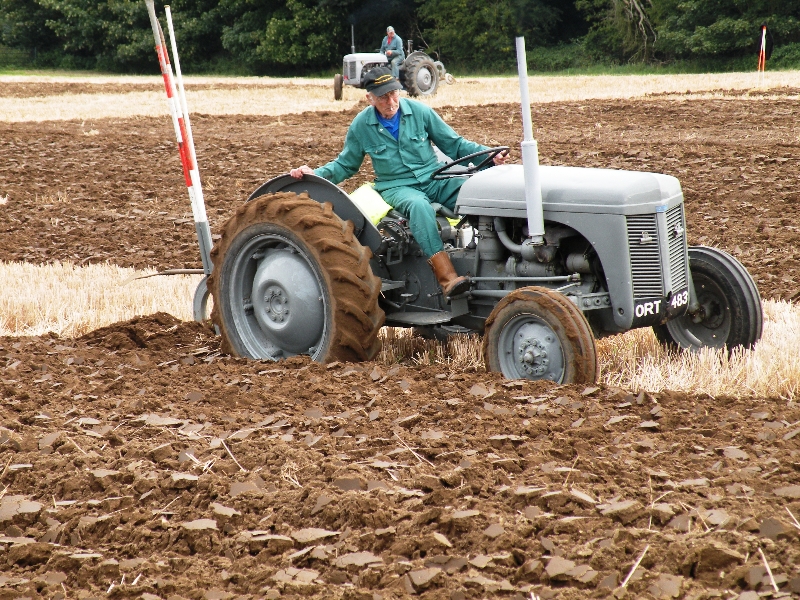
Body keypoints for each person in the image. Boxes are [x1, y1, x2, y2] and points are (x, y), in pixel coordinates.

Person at [290, 67, 506, 299]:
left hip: (433, 179)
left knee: (476, 193)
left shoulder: (420, 112)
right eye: (383, 97)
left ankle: (497, 260)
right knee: (419, 207)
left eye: (394, 93)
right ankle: (449, 280)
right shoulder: (361, 126)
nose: (391, 101)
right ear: (369, 98)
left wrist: (488, 156)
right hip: (397, 187)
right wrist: (315, 174)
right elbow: (346, 165)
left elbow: (455, 145)